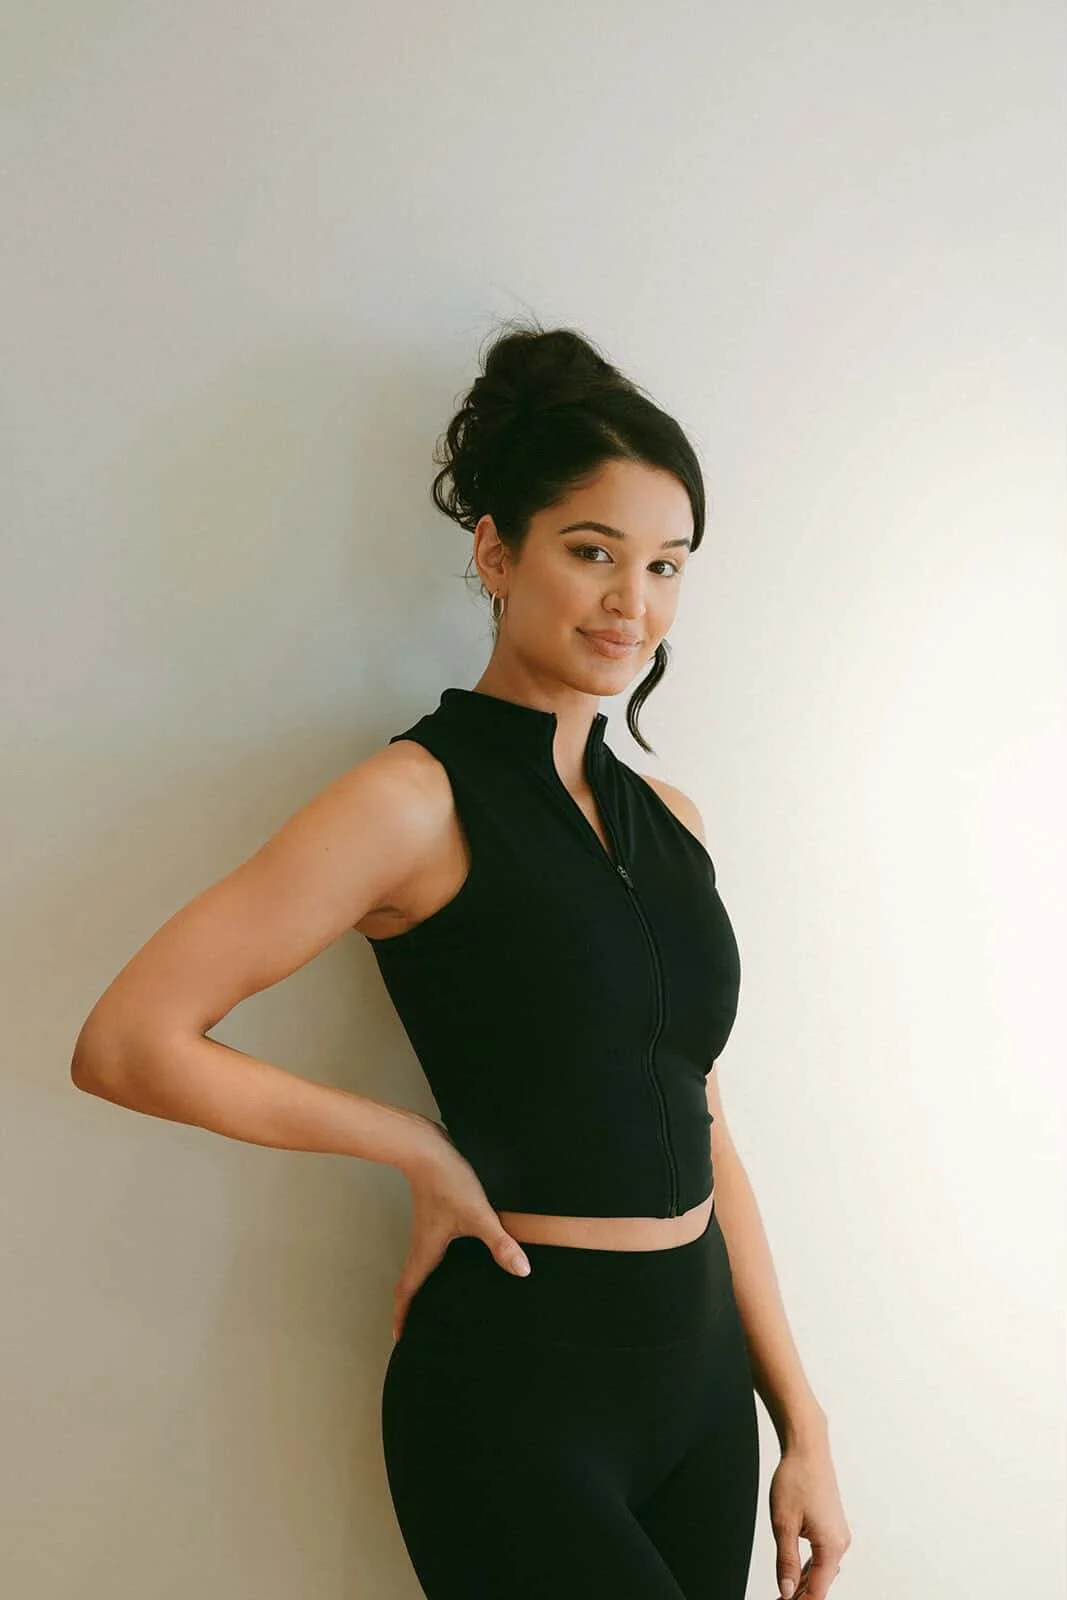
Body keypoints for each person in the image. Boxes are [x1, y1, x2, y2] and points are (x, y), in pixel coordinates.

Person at [70, 317, 851, 1598]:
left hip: (702, 1392)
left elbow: (704, 1120)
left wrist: (803, 1426)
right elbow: (128, 1041)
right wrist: (414, 1146)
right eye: (591, 552)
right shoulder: (413, 800)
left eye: (666, 565)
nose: (630, 602)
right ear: (496, 553)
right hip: (514, 1390)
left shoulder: (674, 827)